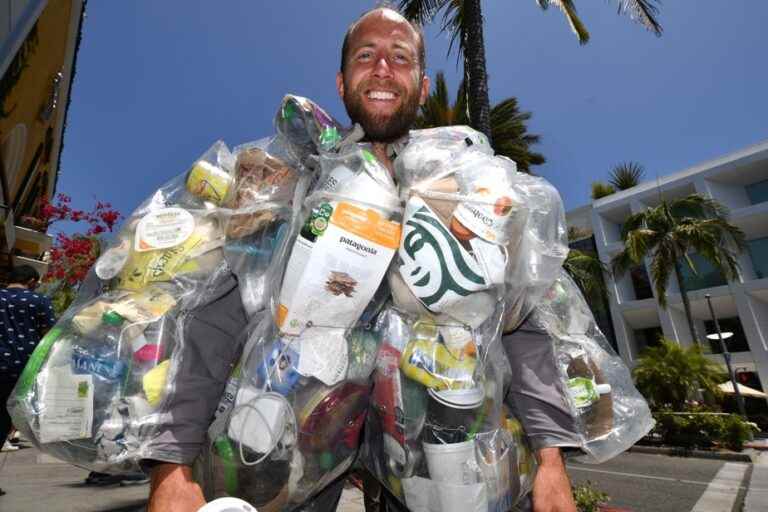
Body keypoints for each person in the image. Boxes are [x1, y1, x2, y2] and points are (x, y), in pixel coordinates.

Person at [147, 7, 578, 512]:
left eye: (400, 58)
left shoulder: (465, 187)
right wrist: (170, 467)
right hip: (282, 453)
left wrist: (551, 462)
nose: (381, 69)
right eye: (365, 56)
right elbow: (211, 318)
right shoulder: (289, 178)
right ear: (341, 79)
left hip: (439, 460)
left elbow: (521, 324)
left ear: (421, 84)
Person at [0, 265, 57, 496]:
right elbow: (51, 333)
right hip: (22, 367)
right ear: (32, 281)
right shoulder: (38, 301)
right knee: (5, 419)